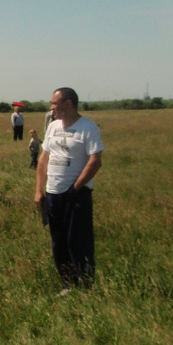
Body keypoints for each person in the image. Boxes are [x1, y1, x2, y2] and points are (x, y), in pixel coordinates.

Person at [35, 87, 103, 291]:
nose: (51, 108)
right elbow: (43, 158)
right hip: (53, 193)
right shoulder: (53, 126)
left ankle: (85, 286)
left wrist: (76, 188)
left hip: (76, 194)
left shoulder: (87, 127)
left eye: (54, 104)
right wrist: (39, 190)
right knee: (58, 242)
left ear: (68, 104)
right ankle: (67, 284)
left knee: (78, 241)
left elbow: (95, 161)